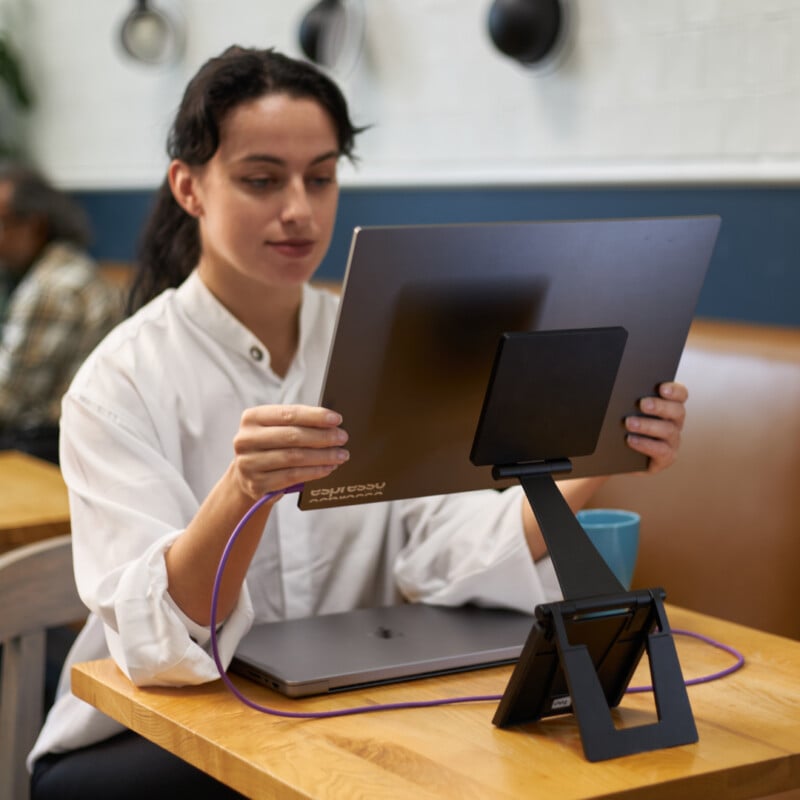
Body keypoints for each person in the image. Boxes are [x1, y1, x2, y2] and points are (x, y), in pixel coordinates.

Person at [28, 46, 688, 799]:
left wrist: (603, 450)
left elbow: (443, 548)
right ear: (189, 187)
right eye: (261, 179)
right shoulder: (119, 383)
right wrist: (241, 491)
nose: (300, 211)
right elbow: (161, 652)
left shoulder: (376, 339)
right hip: (151, 734)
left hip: (339, 710)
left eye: (321, 176)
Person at [0, 163, 123, 463]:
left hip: (54, 445)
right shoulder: (69, 266)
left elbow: (9, 401)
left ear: (36, 225)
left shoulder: (50, 289)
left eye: (2, 222)